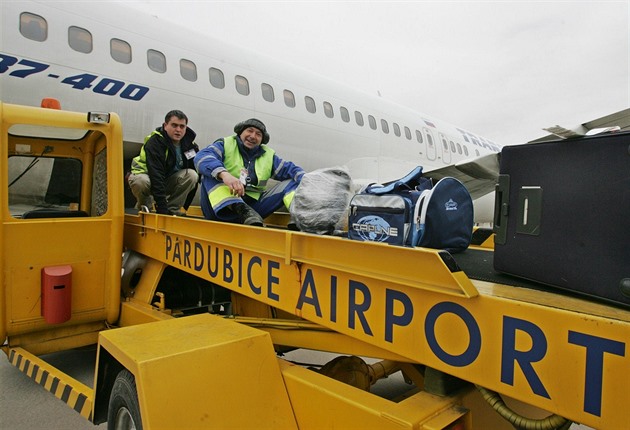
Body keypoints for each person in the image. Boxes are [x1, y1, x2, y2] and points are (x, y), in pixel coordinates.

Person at [194, 118, 304, 226]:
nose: (252, 136)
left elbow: (291, 170)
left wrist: (310, 180)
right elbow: (202, 157)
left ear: (262, 140)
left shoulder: (268, 156)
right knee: (210, 172)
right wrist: (224, 174)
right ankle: (240, 208)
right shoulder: (226, 144)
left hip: (253, 214)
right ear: (241, 132)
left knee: (295, 181)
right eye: (250, 130)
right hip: (219, 210)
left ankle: (300, 217)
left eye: (258, 134)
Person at [128, 110, 199, 215]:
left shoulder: (190, 145)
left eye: (182, 126)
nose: (178, 130)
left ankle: (173, 209)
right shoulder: (155, 142)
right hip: (148, 177)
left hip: (166, 180)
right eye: (174, 125)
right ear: (166, 126)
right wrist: (162, 208)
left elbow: (197, 170)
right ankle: (144, 207)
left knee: (192, 175)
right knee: (141, 181)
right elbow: (156, 173)